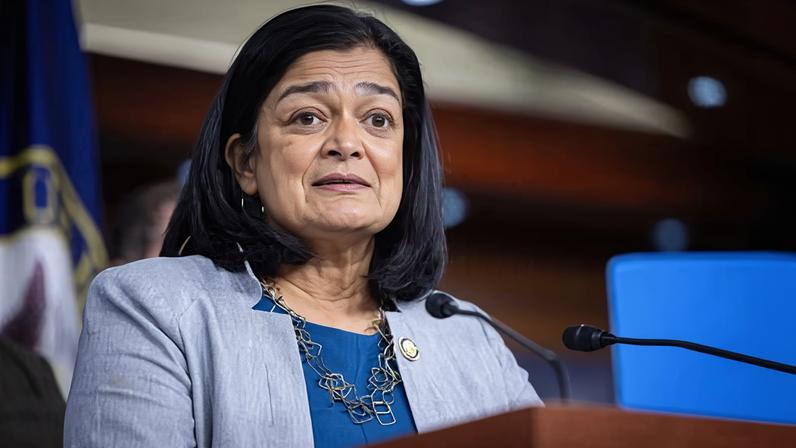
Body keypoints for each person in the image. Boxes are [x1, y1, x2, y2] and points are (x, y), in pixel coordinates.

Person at [64, 5, 542, 447]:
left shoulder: (467, 334)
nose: (347, 143)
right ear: (245, 163)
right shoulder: (151, 306)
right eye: (308, 117)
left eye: (378, 119)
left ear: (406, 161)